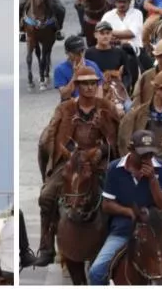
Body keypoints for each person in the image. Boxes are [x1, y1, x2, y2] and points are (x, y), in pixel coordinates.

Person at [34, 66, 121, 267]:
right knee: (46, 196)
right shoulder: (65, 108)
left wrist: (101, 150)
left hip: (99, 161)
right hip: (70, 161)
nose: (89, 87)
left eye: (93, 83)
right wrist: (67, 152)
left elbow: (116, 139)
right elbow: (52, 135)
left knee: (119, 194)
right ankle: (46, 246)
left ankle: (121, 240)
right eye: (85, 84)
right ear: (77, 86)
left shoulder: (107, 107)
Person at [88, 129, 162, 285]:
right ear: (131, 150)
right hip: (124, 229)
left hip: (156, 230)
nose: (147, 158)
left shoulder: (161, 168)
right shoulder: (114, 168)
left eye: (150, 154)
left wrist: (152, 180)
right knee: (96, 271)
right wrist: (128, 211)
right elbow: (107, 204)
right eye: (142, 154)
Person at [54, 37, 104, 101]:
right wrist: (75, 75)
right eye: (76, 53)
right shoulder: (60, 69)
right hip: (71, 105)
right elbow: (64, 96)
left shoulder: (93, 65)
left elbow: (99, 90)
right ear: (67, 52)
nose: (80, 55)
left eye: (82, 51)